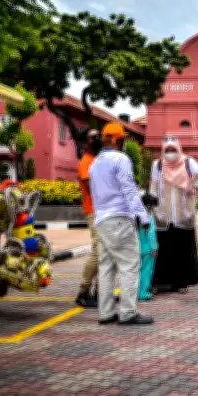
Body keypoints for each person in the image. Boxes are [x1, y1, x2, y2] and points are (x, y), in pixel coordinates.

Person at [88, 123, 153, 325]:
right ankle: (128, 312)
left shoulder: (95, 163)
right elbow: (129, 190)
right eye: (123, 139)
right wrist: (143, 217)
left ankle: (106, 313)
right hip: (119, 219)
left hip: (102, 221)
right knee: (130, 265)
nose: (124, 142)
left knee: (106, 267)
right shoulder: (121, 159)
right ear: (116, 140)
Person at [150, 137, 198, 293]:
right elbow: (153, 187)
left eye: (173, 150)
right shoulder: (157, 165)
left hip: (183, 214)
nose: (170, 153)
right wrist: (150, 207)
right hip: (162, 215)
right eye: (167, 150)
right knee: (163, 250)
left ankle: (182, 282)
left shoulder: (188, 162)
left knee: (182, 250)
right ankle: (160, 282)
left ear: (179, 149)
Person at [75, 129, 102, 308]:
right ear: (85, 143)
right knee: (98, 250)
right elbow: (93, 188)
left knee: (107, 252)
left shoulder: (98, 160)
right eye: (93, 137)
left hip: (105, 211)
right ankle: (83, 292)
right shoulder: (86, 163)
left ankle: (101, 292)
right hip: (94, 210)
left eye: (98, 136)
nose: (97, 139)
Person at [138, 193, 159, 301]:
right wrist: (154, 248)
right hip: (148, 250)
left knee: (139, 271)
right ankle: (143, 293)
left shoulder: (137, 217)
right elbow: (151, 234)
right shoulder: (148, 218)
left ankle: (138, 291)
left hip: (139, 248)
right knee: (147, 271)